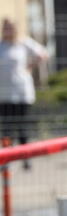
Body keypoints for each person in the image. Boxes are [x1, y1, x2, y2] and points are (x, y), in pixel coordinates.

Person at [0, 19, 48, 160]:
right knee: (6, 126)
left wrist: (30, 66)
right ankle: (7, 156)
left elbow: (42, 53)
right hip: (4, 93)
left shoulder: (22, 43)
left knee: (22, 124)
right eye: (5, 28)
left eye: (10, 28)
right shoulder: (1, 46)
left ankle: (25, 157)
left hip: (21, 91)